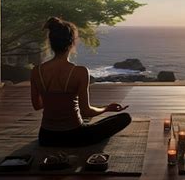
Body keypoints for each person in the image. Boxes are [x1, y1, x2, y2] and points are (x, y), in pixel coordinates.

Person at [31, 17, 131, 147]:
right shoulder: (80, 72)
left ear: (51, 43)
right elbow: (86, 112)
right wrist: (106, 109)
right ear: (72, 43)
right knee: (125, 118)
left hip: (46, 137)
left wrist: (54, 98)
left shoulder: (36, 71)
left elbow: (37, 105)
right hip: (75, 136)